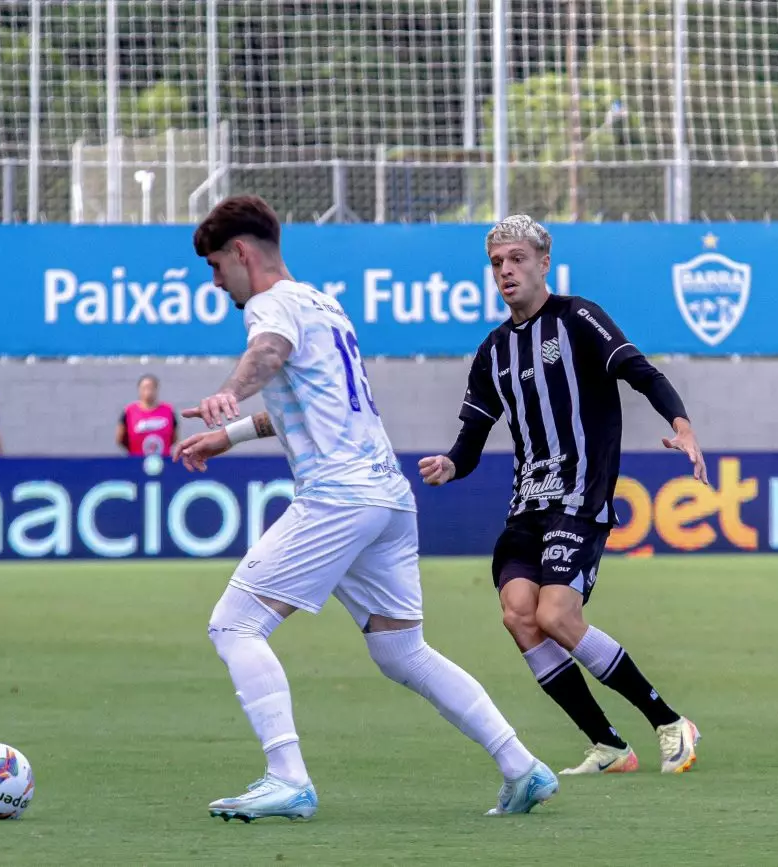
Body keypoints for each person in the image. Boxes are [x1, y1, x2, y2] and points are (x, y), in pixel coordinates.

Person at [174, 195, 557, 822]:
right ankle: (522, 767)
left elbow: (266, 354)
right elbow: (310, 399)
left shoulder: (271, 306)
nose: (216, 283)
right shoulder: (323, 305)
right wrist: (232, 434)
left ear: (241, 253)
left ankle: (287, 778)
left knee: (234, 625)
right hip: (387, 496)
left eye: (216, 267)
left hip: (339, 495)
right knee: (403, 651)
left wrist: (227, 394)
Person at [419, 214, 707, 777]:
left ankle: (670, 721)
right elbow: (472, 440)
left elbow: (640, 372)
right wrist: (450, 464)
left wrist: (683, 425)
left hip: (579, 498)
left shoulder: (578, 318)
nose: (506, 271)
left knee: (555, 614)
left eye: (517, 259)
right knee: (519, 617)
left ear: (543, 263)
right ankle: (609, 745)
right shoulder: (493, 351)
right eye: (497, 263)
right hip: (527, 504)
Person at [117, 374, 178, 456]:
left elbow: (174, 437)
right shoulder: (129, 411)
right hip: (136, 459)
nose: (148, 391)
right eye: (144, 388)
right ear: (139, 389)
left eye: (151, 388)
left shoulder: (168, 410)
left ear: (156, 389)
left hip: (162, 460)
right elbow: (120, 439)